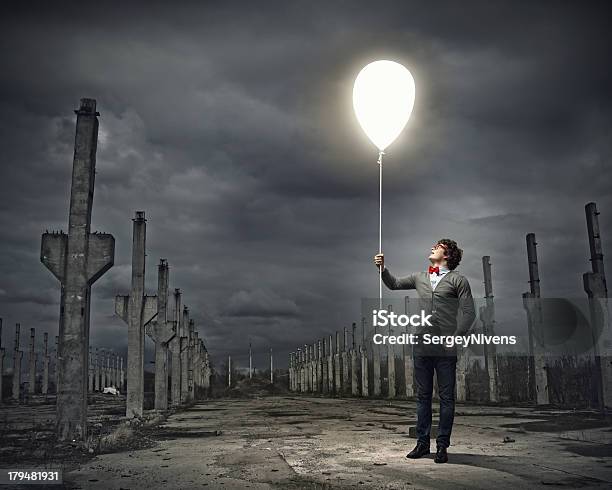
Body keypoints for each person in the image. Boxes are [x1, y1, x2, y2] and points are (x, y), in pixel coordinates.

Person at [373, 239, 475, 463]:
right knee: (423, 396)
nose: (432, 247)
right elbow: (393, 284)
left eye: (437, 246)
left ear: (447, 254)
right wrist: (383, 268)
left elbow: (468, 313)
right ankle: (422, 444)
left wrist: (456, 337)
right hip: (422, 344)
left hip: (446, 346)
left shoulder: (459, 280)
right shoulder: (420, 277)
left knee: (447, 398)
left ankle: (442, 446)